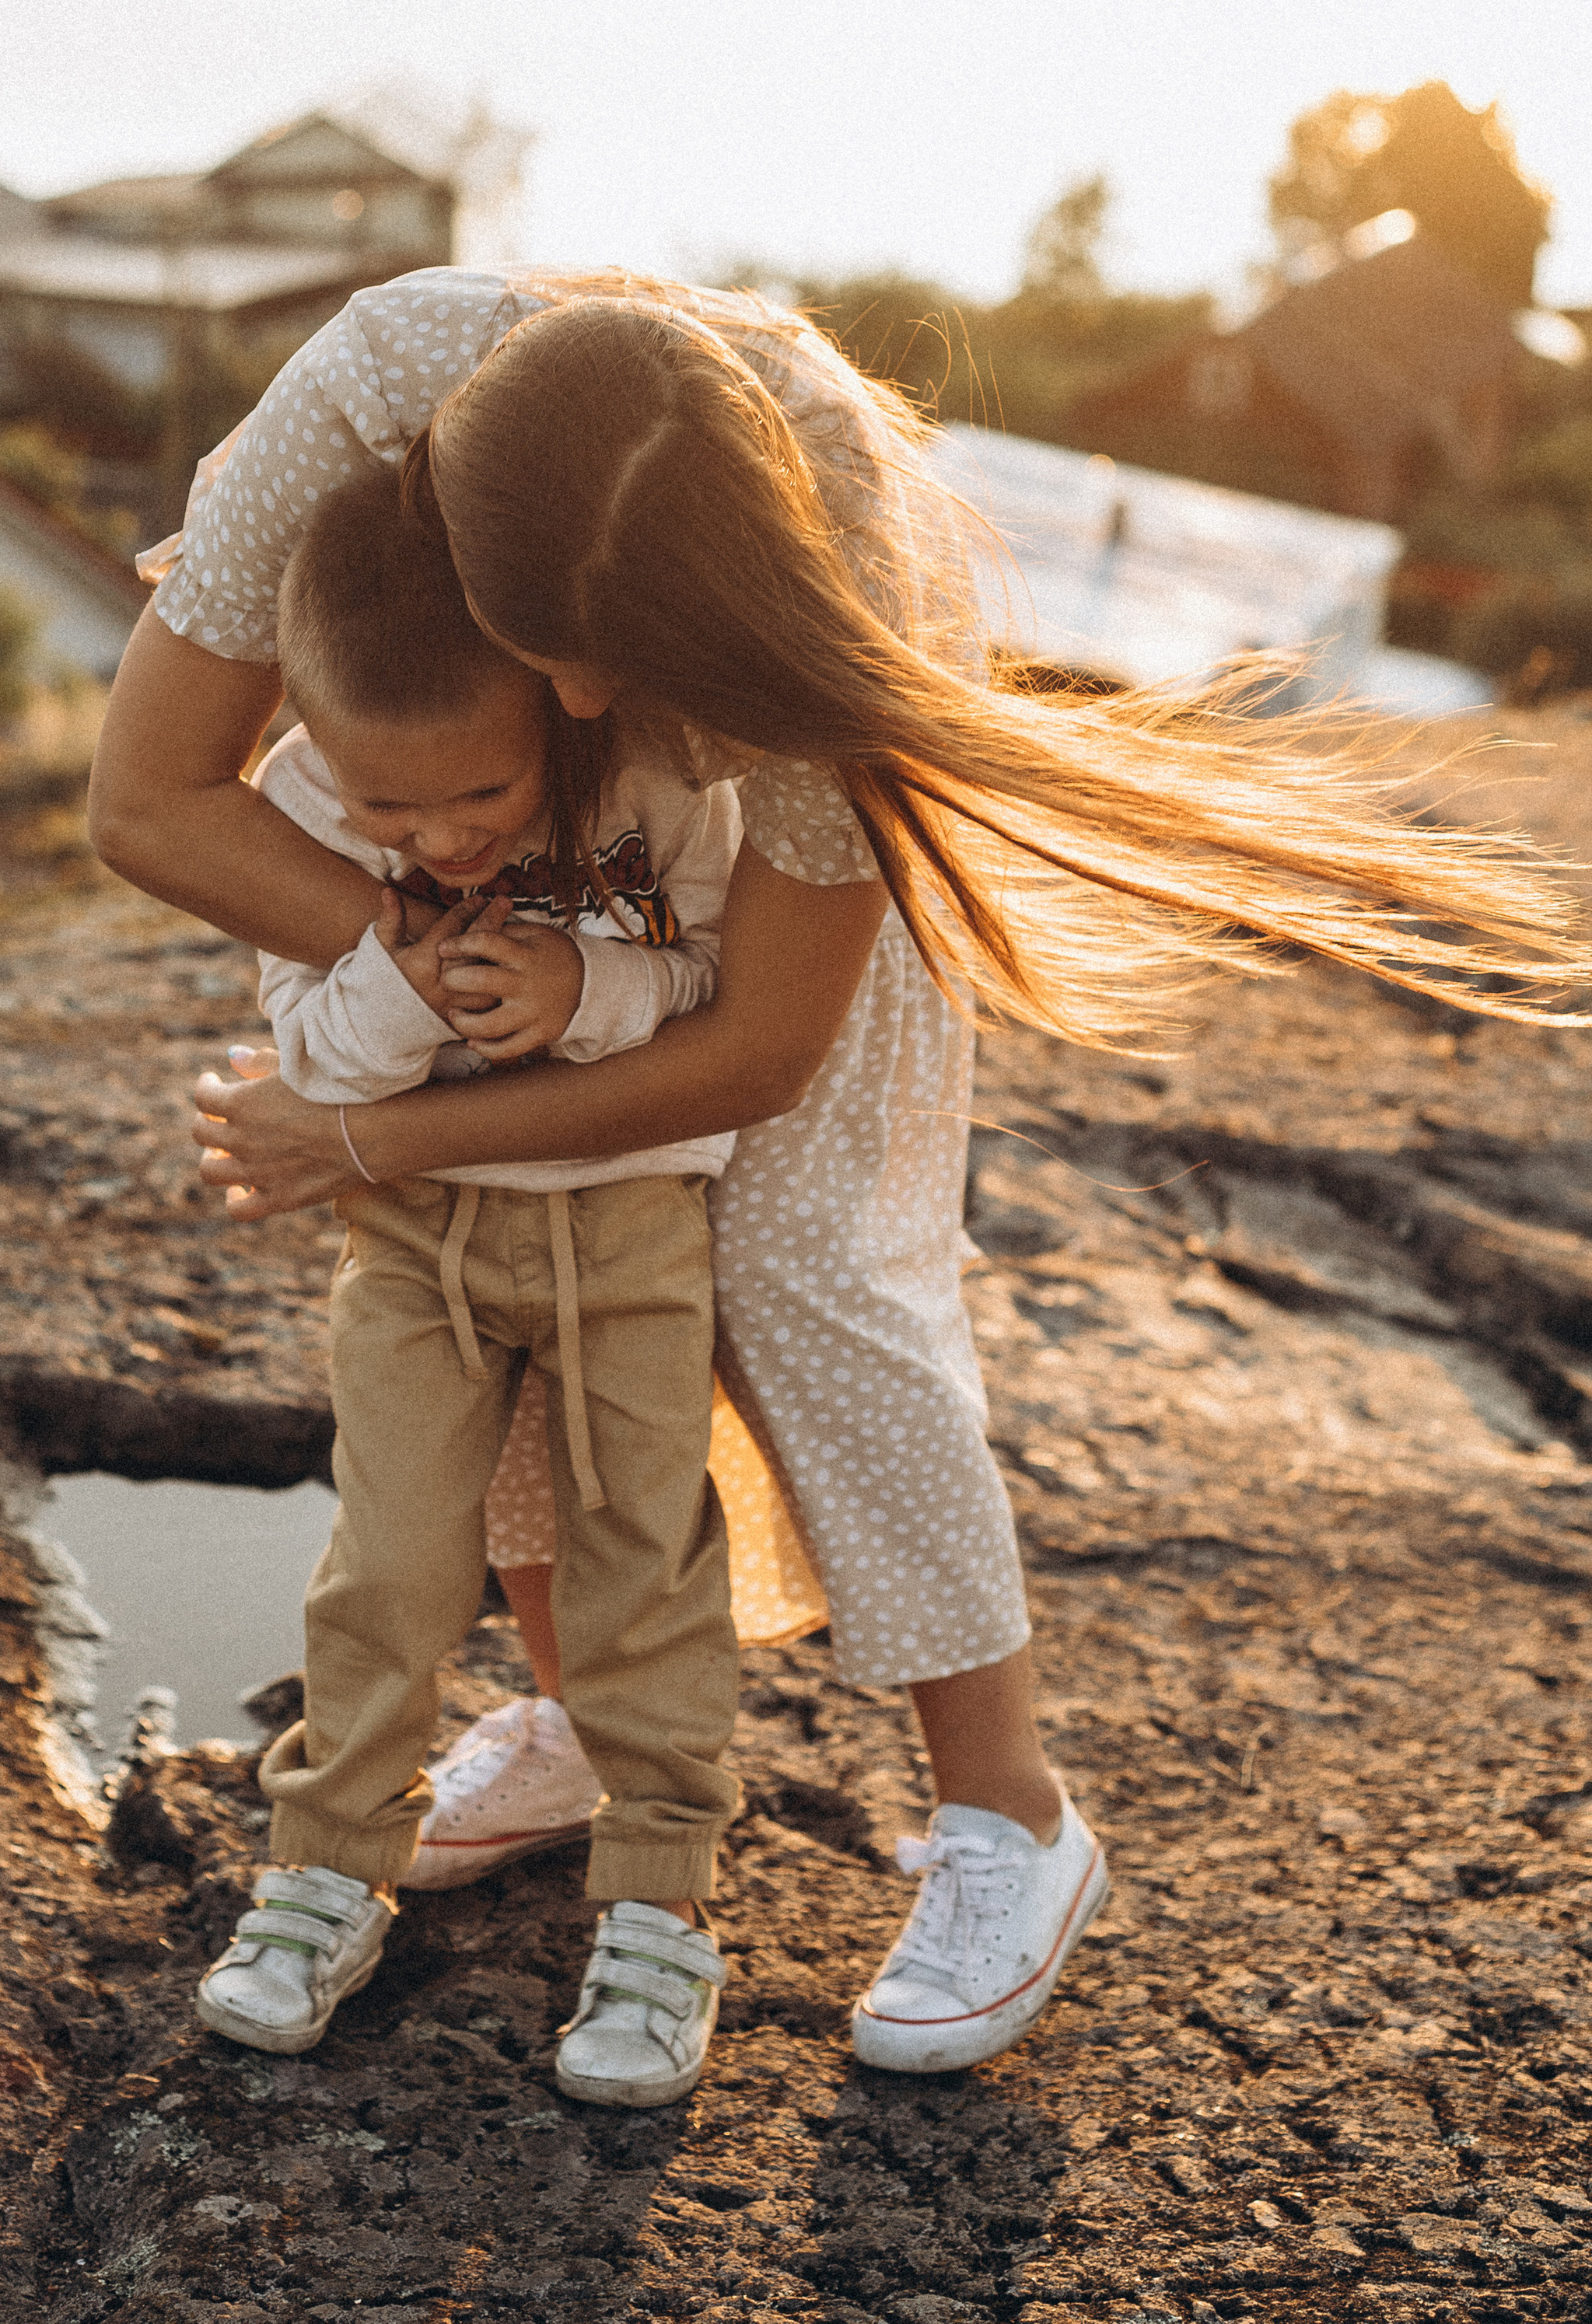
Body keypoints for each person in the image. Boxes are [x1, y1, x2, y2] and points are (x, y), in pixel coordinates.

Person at [93, 267, 1583, 2078]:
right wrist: (439, 955)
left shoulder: (817, 584)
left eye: (600, 658)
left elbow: (755, 1053)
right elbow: (148, 800)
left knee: (807, 1257)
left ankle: (1009, 1820)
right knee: (506, 1268)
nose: (574, 692)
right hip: (515, 862)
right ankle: (574, 1725)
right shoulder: (362, 398)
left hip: (755, 744)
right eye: (541, 641)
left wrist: (370, 1123)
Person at [194, 463, 745, 2106]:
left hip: (630, 1233)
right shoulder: (298, 787)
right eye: (391, 814)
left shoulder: (660, 773)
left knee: (642, 1557)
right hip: (415, 1237)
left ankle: (659, 1907)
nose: (435, 837)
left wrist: (586, 980)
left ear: (551, 700)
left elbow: (721, 979)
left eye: (474, 797)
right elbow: (304, 1047)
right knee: (391, 1558)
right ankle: (326, 1865)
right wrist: (396, 976)